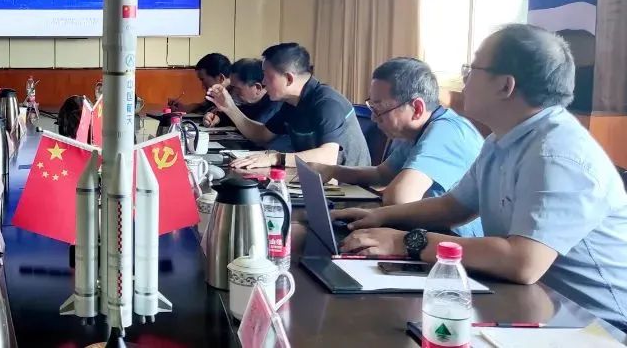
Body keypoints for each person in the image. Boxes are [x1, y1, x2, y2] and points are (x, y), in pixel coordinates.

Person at [334, 25, 627, 330]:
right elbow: (454, 206)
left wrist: (404, 241)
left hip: (599, 327)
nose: (464, 80)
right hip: (535, 307)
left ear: (505, 86)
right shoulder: (503, 139)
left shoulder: (556, 154)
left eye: (471, 69)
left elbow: (523, 262)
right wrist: (379, 217)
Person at [308, 57, 484, 237]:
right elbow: (381, 174)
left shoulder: (446, 132)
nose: (373, 118)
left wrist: (378, 214)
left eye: (379, 109)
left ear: (417, 108)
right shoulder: (415, 131)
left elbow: (399, 198)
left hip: (455, 242)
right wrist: (332, 170)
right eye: (372, 106)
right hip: (425, 231)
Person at [209, 43, 371, 167]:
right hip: (316, 178)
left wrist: (276, 158)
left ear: (289, 78)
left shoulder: (327, 102)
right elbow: (261, 135)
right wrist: (229, 107)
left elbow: (328, 156)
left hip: (350, 189)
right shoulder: (291, 103)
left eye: (267, 76)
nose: (263, 82)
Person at [203, 58, 281, 128]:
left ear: (257, 88)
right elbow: (233, 117)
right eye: (232, 87)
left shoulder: (274, 105)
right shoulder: (247, 102)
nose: (233, 93)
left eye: (237, 88)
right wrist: (217, 118)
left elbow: (255, 129)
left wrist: (231, 109)